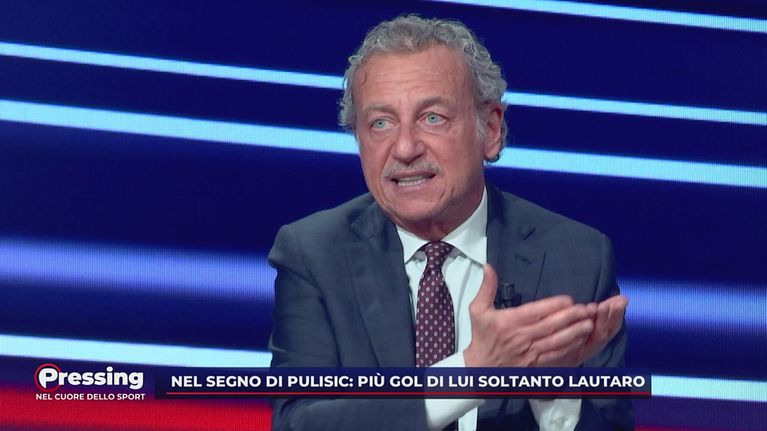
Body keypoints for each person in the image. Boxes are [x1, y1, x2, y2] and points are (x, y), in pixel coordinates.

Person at [268, 15, 631, 431]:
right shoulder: (314, 254)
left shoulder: (576, 257)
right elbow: (299, 421)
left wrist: (551, 388)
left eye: (432, 118)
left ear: (490, 130)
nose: (405, 148)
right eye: (381, 123)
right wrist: (471, 372)